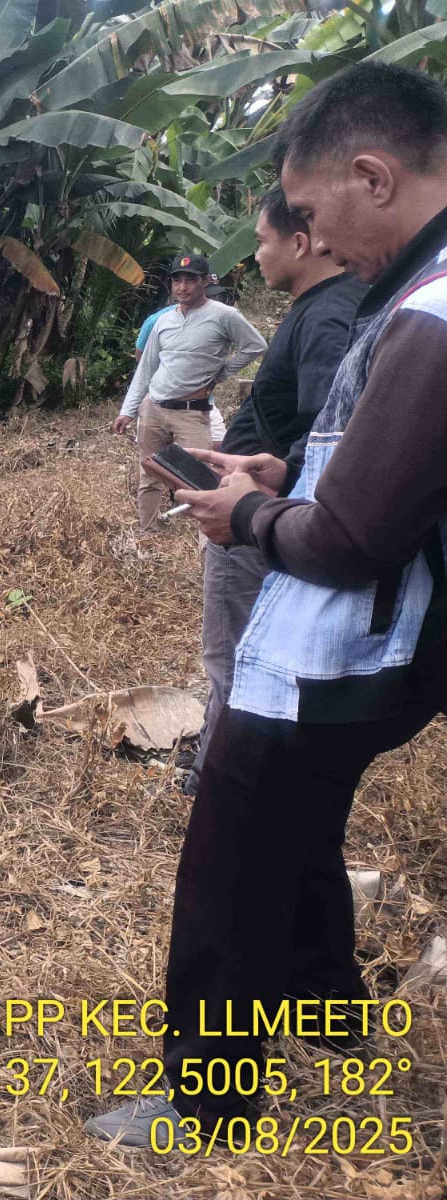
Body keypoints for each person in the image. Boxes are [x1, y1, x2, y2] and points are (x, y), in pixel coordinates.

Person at [87, 61, 447, 1147]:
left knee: (230, 857)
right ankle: (329, 1009)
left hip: (338, 649)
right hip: (386, 653)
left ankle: (210, 1105)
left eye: (306, 210)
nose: (310, 236)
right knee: (300, 827)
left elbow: (349, 541)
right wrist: (283, 476)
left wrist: (241, 518)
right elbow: (388, 478)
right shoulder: (410, 302)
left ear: (371, 177)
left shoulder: (429, 314)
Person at [185, 187, 366, 793]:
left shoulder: (329, 314)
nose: (255, 253)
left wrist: (268, 488)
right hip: (265, 499)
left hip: (257, 520)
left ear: (302, 240)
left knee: (236, 652)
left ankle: (226, 779)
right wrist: (281, 466)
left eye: (262, 241)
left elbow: (333, 429)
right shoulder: (316, 307)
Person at [112, 255, 266, 531]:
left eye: (191, 280)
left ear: (205, 281)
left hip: (192, 411)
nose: (183, 287)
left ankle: (209, 544)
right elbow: (146, 369)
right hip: (154, 407)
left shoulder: (224, 316)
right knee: (149, 472)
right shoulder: (163, 321)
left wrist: (222, 373)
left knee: (202, 479)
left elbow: (255, 345)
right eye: (177, 280)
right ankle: (148, 530)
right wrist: (127, 410)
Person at [134, 303, 227, 446]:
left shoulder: (218, 319)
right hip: (159, 400)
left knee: (217, 444)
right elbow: (142, 359)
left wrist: (218, 375)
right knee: (155, 458)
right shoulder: (157, 321)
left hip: (198, 401)